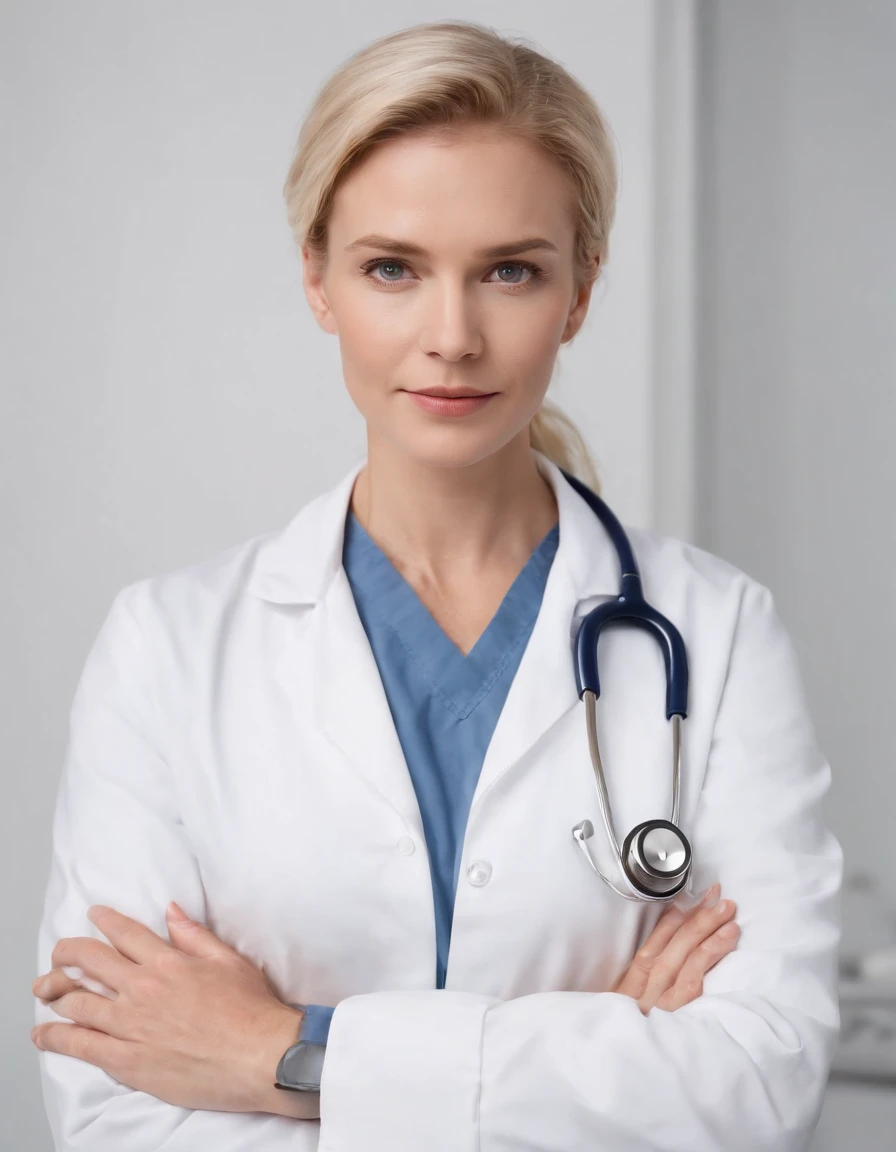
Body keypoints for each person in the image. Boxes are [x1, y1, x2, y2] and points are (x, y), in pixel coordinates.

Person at [31, 19, 842, 1152]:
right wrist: (597, 1053)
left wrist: (275, 1052)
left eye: (509, 271)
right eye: (392, 270)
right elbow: (117, 1096)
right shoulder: (166, 646)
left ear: (580, 291)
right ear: (317, 280)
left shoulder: (718, 631)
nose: (451, 337)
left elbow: (757, 1085)